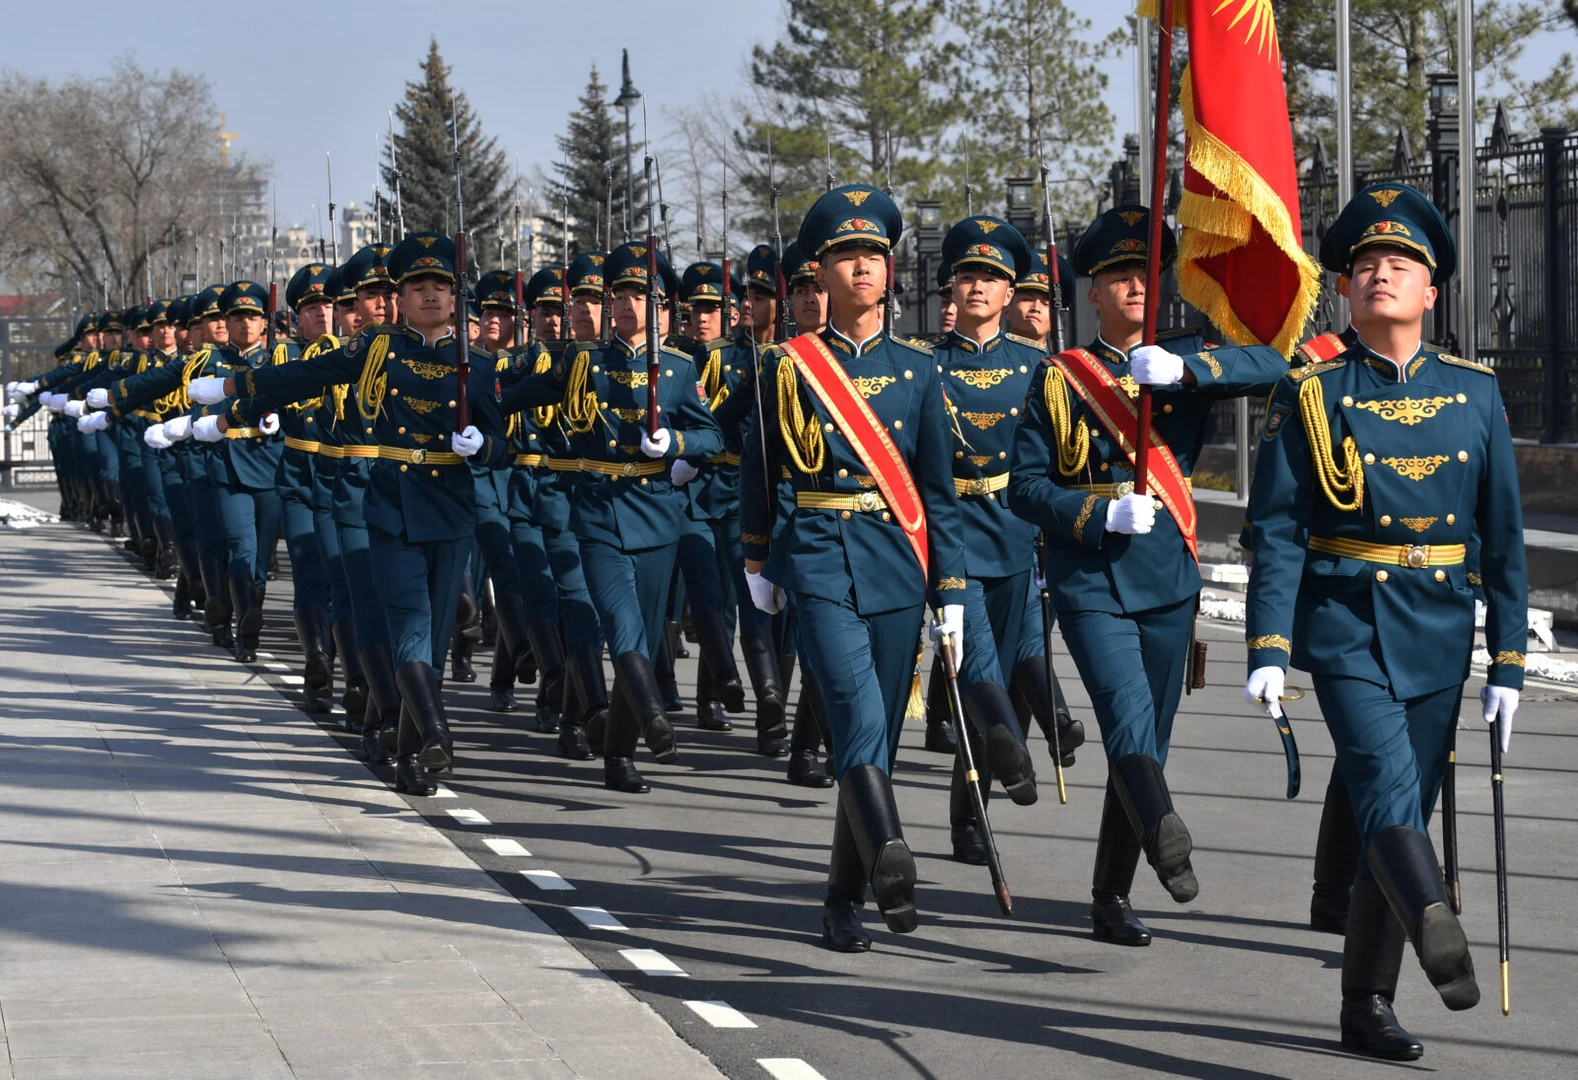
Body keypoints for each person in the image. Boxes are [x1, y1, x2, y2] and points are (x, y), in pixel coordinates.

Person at [1242, 183, 1527, 1061]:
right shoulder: (1316, 392)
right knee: (1382, 781)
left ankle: (1364, 1004)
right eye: (1364, 266)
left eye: (1399, 265)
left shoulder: (1476, 396)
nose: (1379, 275)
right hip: (1348, 623)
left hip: (1439, 626)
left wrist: (1508, 663)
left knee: (1390, 806)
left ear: (1432, 291)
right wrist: (1268, 643)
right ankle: (1435, 920)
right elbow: (1281, 530)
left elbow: (1505, 536)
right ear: (1345, 292)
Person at [1007, 205, 1286, 947]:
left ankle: (1110, 895)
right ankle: (1165, 832)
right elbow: (1024, 488)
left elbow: (1276, 363)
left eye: (1145, 275)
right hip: (1091, 576)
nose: (1135, 287)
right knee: (1126, 717)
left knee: (1147, 746)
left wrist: (1187, 369)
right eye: (1119, 277)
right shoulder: (1059, 381)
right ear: (1091, 293)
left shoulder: (1182, 360)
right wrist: (1096, 515)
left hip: (1167, 578)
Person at [189, 233, 512, 797]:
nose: (428, 296)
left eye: (440, 286)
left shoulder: (475, 365)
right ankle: (431, 729)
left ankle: (413, 749)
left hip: (449, 511)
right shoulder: (377, 351)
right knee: (403, 623)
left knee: (431, 639)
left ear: (456, 298)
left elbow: (505, 440)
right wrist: (232, 388)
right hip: (386, 506)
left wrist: (481, 444)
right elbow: (299, 379)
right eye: (416, 287)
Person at [739, 184, 967, 952]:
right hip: (818, 556)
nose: (862, 265)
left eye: (874, 254)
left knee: (879, 744)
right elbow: (759, 468)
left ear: (890, 271)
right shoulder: (786, 367)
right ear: (821, 271)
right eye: (846, 255)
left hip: (898, 563)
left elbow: (939, 493)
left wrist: (954, 591)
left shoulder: (920, 370)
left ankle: (843, 897)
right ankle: (892, 859)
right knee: (856, 714)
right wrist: (756, 558)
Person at [496, 241, 724, 794]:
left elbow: (713, 437)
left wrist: (678, 442)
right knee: (619, 625)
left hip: (657, 517)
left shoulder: (676, 368)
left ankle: (618, 755)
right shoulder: (583, 362)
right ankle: (652, 717)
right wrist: (483, 402)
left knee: (644, 638)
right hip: (596, 512)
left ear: (661, 307)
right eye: (619, 293)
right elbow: (510, 395)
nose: (626, 304)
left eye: (640, 295)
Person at [927, 215, 1047, 864]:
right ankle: (990, 791)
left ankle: (970, 813)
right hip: (953, 538)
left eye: (993, 278)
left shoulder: (1037, 367)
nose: (979, 286)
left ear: (1010, 294)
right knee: (976, 672)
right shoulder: (924, 366)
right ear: (952, 289)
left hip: (1018, 535)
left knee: (1010, 676)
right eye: (968, 276)